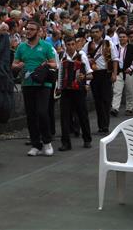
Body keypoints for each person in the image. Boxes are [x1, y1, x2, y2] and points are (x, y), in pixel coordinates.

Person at [12, 20, 57, 156]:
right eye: (27, 29)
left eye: (31, 29)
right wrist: (18, 66)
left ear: (38, 32)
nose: (28, 31)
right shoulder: (21, 47)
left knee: (42, 112)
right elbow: (14, 64)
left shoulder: (46, 46)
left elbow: (54, 64)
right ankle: (35, 144)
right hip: (27, 83)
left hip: (43, 84)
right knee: (31, 115)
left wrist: (46, 64)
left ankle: (47, 142)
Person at [56, 36, 93, 151]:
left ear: (75, 45)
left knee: (82, 115)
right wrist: (59, 86)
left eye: (73, 44)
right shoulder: (61, 57)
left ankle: (87, 139)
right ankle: (66, 142)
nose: (71, 47)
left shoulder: (82, 56)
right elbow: (59, 73)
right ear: (65, 45)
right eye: (68, 45)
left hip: (79, 90)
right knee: (64, 116)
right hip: (66, 90)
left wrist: (85, 78)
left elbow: (90, 74)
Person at [83, 23, 118, 133]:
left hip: (105, 73)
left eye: (97, 32)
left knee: (106, 100)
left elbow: (115, 59)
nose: (94, 34)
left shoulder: (108, 44)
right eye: (92, 32)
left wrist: (114, 74)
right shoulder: (87, 45)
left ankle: (105, 125)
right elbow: (83, 57)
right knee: (97, 100)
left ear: (102, 32)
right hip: (94, 74)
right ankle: (101, 126)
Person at [111, 29, 133, 116]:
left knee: (129, 90)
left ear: (127, 38)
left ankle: (130, 108)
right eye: (120, 37)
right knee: (117, 90)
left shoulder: (132, 47)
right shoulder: (115, 47)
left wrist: (131, 68)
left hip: (128, 72)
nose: (122, 38)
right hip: (118, 72)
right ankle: (115, 108)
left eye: (124, 37)